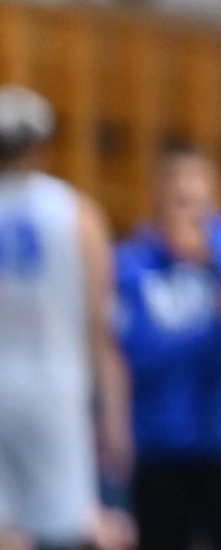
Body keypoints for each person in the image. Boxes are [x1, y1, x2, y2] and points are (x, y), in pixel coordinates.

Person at [116, 143, 221, 550]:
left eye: (195, 182)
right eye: (175, 182)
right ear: (157, 192)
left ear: (213, 191)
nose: (185, 192)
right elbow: (136, 351)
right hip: (163, 441)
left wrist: (204, 253)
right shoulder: (135, 262)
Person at [0, 88, 129, 550]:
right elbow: (100, 327)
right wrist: (114, 413)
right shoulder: (77, 214)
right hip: (53, 386)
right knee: (66, 529)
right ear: (42, 147)